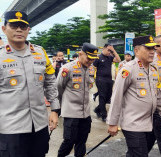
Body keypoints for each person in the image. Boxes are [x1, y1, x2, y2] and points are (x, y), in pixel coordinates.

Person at [0, 11, 59, 157]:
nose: (19, 30)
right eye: (14, 26)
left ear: (28, 29)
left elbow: (50, 82)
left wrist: (54, 109)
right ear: (3, 29)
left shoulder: (40, 53)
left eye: (23, 26)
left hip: (39, 125)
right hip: (10, 129)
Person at [107, 35, 161, 157]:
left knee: (137, 153)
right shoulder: (128, 70)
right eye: (148, 49)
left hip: (149, 123)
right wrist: (113, 123)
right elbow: (117, 96)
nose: (152, 52)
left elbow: (159, 96)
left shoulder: (153, 70)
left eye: (153, 49)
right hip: (133, 124)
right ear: (136, 50)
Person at [56, 43, 98, 157]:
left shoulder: (91, 69)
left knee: (81, 142)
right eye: (89, 58)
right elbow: (59, 88)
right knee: (69, 142)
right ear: (80, 54)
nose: (90, 61)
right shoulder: (67, 68)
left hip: (85, 114)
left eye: (93, 59)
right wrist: (59, 108)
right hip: (71, 114)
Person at [93, 43, 121, 121]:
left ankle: (97, 109)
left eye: (110, 50)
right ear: (103, 49)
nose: (109, 52)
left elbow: (118, 60)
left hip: (109, 80)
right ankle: (104, 115)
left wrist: (113, 51)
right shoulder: (98, 58)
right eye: (108, 50)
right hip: (100, 79)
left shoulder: (110, 57)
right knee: (102, 97)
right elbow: (93, 68)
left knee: (108, 97)